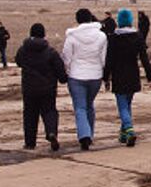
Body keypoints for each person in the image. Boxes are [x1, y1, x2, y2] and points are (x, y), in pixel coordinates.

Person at [104, 8, 151, 147]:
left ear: (119, 21)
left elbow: (109, 59)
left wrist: (106, 77)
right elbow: (144, 58)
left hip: (118, 75)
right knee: (127, 105)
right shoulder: (137, 36)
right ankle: (124, 134)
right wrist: (150, 77)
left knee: (122, 105)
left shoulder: (113, 38)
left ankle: (130, 130)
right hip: (133, 74)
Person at [16, 23, 67, 151]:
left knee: (29, 114)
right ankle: (51, 133)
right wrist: (63, 79)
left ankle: (30, 142)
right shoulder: (50, 52)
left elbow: (18, 62)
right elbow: (59, 68)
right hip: (48, 88)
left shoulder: (23, 50)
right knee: (49, 111)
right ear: (43, 35)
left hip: (29, 88)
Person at [63, 8, 108, 150]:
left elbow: (66, 57)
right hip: (95, 76)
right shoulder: (101, 36)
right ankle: (90, 133)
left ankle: (84, 136)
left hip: (76, 76)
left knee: (80, 107)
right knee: (89, 105)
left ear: (77, 20)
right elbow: (103, 58)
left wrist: (68, 70)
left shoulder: (72, 37)